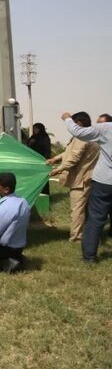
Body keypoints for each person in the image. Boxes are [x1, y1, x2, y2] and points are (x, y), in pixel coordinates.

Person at [62, 111, 112, 263]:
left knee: (95, 219)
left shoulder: (106, 128)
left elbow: (78, 132)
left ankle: (89, 256)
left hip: (104, 181)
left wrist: (67, 119)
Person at [46, 112, 99, 242]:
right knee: (83, 209)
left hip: (81, 180)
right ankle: (86, 234)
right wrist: (55, 158)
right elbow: (69, 152)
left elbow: (74, 158)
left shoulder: (82, 137)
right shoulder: (89, 136)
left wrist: (58, 169)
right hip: (85, 178)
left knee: (77, 210)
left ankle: (76, 237)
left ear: (78, 124)